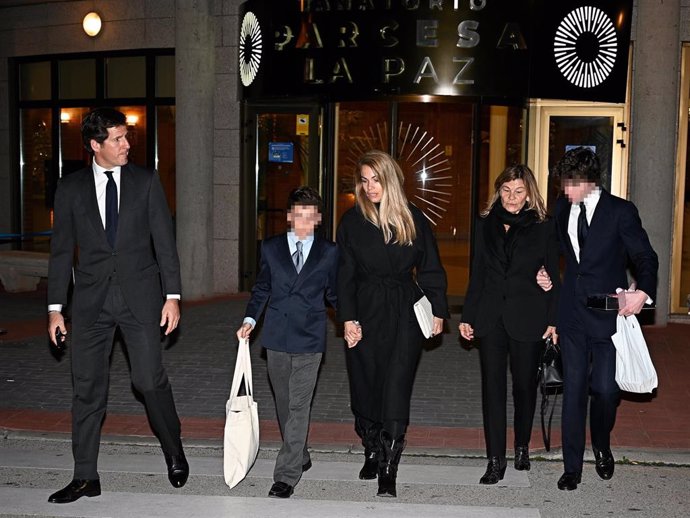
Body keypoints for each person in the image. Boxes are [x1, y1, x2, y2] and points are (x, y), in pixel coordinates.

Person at [47, 108, 187, 503]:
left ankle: (173, 449)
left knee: (147, 379)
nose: (127, 145)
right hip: (90, 304)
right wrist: (55, 308)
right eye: (118, 139)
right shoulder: (71, 188)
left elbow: (165, 243)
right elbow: (60, 253)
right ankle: (85, 476)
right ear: (96, 145)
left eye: (127, 138)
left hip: (140, 299)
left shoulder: (145, 181)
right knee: (87, 389)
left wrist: (172, 296)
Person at [336, 149, 449, 498]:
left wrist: (439, 311)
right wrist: (347, 318)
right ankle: (371, 447)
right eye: (364, 180)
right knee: (367, 383)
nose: (370, 187)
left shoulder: (413, 218)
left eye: (376, 180)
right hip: (366, 310)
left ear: (391, 181)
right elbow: (344, 275)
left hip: (404, 310)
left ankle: (389, 465)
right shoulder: (352, 221)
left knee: (396, 386)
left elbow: (431, 267)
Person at [548, 147, 658, 491]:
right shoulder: (562, 207)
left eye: (573, 184)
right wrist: (544, 272)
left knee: (606, 391)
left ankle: (602, 443)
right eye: (564, 183)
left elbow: (645, 256)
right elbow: (554, 250)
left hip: (609, 314)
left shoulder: (620, 212)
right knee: (574, 391)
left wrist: (642, 292)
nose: (567, 191)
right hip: (572, 314)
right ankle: (572, 468)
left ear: (592, 182)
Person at [458, 165, 560, 484]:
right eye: (506, 191)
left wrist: (553, 312)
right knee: (492, 388)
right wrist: (468, 316)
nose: (512, 198)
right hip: (490, 316)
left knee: (524, 386)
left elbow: (555, 276)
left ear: (528, 193)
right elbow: (478, 274)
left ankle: (521, 446)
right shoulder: (485, 224)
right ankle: (494, 460)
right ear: (497, 191)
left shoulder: (543, 226)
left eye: (518, 191)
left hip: (528, 316)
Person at [236, 186, 338, 499]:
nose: (304, 222)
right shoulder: (270, 247)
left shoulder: (330, 252)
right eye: (298, 215)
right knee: (283, 403)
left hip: (310, 338)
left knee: (298, 404)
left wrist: (351, 320)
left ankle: (286, 474)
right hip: (277, 337)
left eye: (311, 216)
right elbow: (262, 288)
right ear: (289, 216)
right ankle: (300, 452)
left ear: (318, 218)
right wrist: (250, 320)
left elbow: (334, 293)